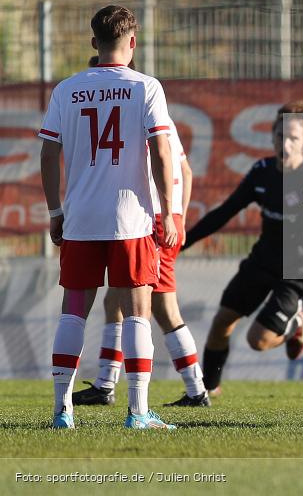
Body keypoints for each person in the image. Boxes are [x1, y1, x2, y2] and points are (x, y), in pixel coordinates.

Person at [39, 5, 178, 429]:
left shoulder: (67, 88)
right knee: (138, 310)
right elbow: (161, 150)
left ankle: (63, 409)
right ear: (132, 43)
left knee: (73, 312)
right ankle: (138, 412)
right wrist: (168, 212)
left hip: (81, 216)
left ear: (92, 42)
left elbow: (48, 152)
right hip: (131, 218)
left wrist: (55, 210)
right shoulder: (146, 87)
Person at [182, 102, 303, 395]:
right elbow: (226, 211)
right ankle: (208, 389)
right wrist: (184, 242)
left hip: (295, 271)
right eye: (280, 135)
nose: (284, 143)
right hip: (262, 259)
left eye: (293, 138)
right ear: (272, 136)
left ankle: (297, 323)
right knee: (222, 321)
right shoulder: (261, 171)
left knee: (257, 341)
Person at [72, 55, 210, 407]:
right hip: (161, 219)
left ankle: (196, 390)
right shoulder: (152, 109)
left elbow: (164, 165)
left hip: (150, 224)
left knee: (159, 307)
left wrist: (168, 216)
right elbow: (187, 172)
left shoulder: (134, 112)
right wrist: (177, 214)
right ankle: (106, 383)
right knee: (116, 300)